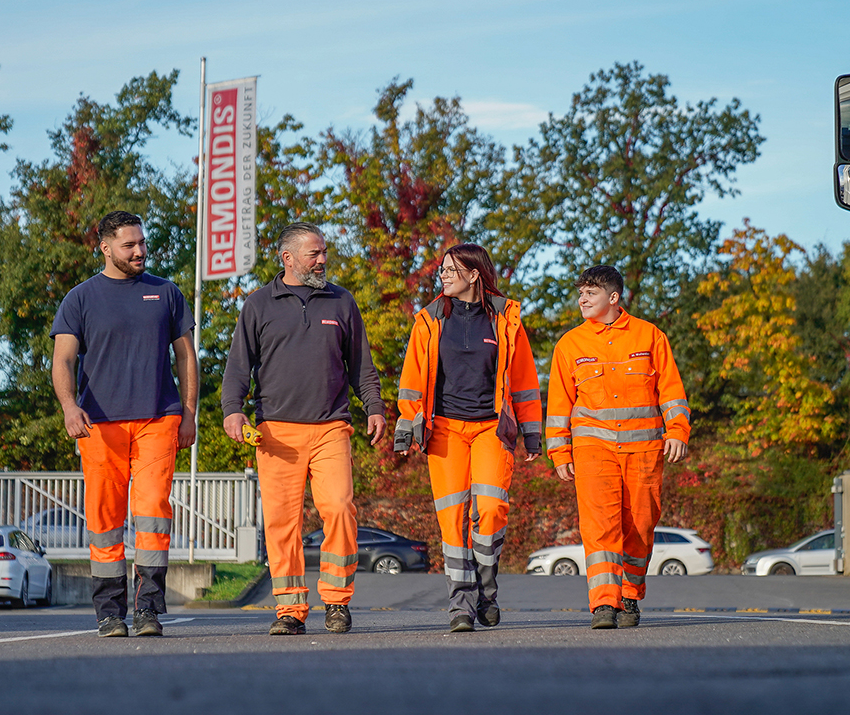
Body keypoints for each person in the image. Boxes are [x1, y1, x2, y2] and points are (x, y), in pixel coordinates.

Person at [221, 222, 386, 636]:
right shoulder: (258, 304)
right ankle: (290, 610)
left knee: (340, 510)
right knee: (282, 523)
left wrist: (375, 407)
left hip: (331, 427)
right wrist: (232, 411)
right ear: (288, 258)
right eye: (314, 253)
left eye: (324, 252)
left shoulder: (342, 301)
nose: (322, 260)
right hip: (275, 432)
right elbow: (238, 366)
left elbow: (362, 365)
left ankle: (337, 602)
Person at [50, 210, 199, 638]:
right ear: (105, 248)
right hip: (99, 424)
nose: (139, 251)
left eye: (142, 243)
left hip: (159, 417)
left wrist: (189, 412)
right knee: (105, 520)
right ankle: (110, 613)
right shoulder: (79, 298)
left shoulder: (166, 293)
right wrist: (69, 407)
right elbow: (63, 360)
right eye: (129, 245)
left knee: (153, 513)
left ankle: (148, 609)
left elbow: (186, 356)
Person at [394, 244, 542, 632]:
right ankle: (460, 605)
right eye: (441, 270)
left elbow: (524, 381)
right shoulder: (429, 320)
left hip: (491, 429)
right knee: (452, 520)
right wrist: (407, 427)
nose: (442, 276)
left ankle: (486, 591)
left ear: (474, 275)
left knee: (490, 511)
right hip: (444, 430)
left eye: (450, 270)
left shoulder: (505, 320)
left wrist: (531, 432)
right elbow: (411, 380)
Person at [545, 265, 689, 629]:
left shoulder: (650, 336)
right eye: (580, 293)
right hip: (593, 450)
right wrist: (559, 452)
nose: (582, 300)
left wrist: (678, 431)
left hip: (644, 451)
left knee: (641, 525)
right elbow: (559, 404)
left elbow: (671, 391)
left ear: (613, 297)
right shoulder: (570, 345)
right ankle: (603, 604)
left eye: (590, 293)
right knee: (600, 527)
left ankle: (630, 596)